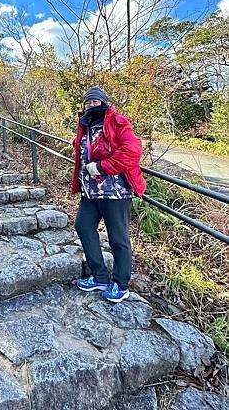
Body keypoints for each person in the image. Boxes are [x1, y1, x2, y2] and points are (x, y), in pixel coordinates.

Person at [72, 86, 146, 303]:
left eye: (95, 102)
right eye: (88, 103)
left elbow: (132, 152)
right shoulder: (85, 125)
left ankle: (121, 284)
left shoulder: (118, 121)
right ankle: (100, 277)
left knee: (118, 238)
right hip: (91, 192)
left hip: (115, 191)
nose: (91, 106)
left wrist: (102, 167)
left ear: (104, 102)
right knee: (83, 226)